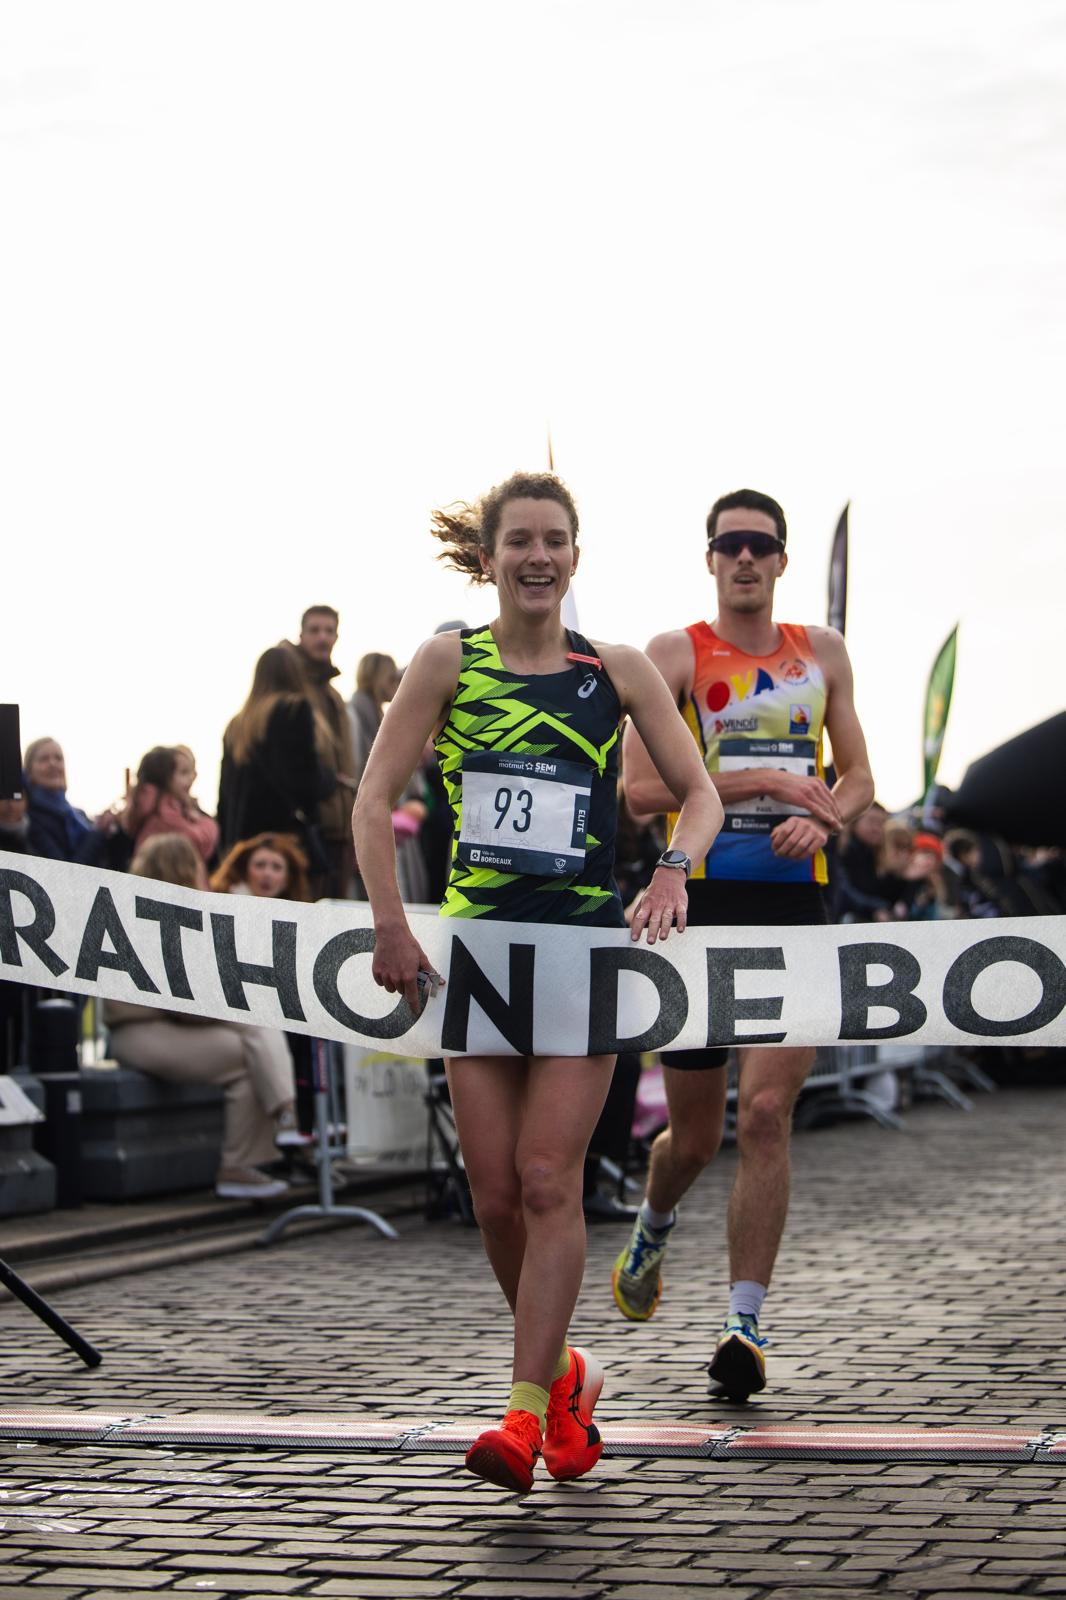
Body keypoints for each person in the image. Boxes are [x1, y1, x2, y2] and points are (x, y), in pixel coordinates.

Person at [353, 471, 721, 1494]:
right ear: (489, 555)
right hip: (478, 958)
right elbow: (373, 797)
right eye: (519, 540)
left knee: (550, 1177)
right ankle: (567, 1379)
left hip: (579, 954)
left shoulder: (614, 669)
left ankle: (519, 1416)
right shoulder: (445, 660)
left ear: (574, 554)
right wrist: (391, 923)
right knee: (495, 1200)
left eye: (554, 540)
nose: (538, 557)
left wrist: (669, 868)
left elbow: (698, 797)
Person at [614, 486, 874, 1402]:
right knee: (691, 1138)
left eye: (761, 545)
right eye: (730, 545)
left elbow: (861, 775)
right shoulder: (676, 654)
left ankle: (744, 1325)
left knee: (764, 1116)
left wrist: (828, 819)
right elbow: (641, 791)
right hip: (698, 905)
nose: (746, 559)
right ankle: (653, 1224)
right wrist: (765, 780)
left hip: (792, 908)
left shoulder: (822, 653)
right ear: (711, 558)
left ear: (783, 559)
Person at [104, 833, 302, 1199]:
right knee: (249, 1050)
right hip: (141, 1032)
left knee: (252, 1036)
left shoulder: (156, 911)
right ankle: (261, 1141)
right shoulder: (151, 918)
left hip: (165, 1027)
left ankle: (256, 1148)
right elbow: (183, 1005)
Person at [217, 646, 341, 870]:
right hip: (284, 846)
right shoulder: (295, 710)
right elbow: (305, 781)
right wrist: (330, 780)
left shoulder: (238, 724)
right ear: (295, 672)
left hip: (243, 847)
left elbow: (225, 795)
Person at [286, 606, 357, 898]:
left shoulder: (333, 694)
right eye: (315, 630)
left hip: (340, 828)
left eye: (328, 631)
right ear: (301, 635)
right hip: (308, 827)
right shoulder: (293, 689)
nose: (322, 637)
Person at [349, 653, 430, 904]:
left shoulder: (381, 717)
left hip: (396, 822)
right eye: (390, 676)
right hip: (376, 819)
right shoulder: (355, 716)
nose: (394, 683)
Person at [17, 737, 122, 864]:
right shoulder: (29, 819)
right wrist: (99, 832)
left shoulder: (79, 815)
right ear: (29, 771)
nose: (53, 764)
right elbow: (65, 873)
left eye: (58, 758)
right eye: (44, 759)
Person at [121, 746, 219, 865]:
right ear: (165, 777)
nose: (191, 778)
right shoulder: (163, 815)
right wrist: (207, 824)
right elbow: (198, 842)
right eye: (183, 773)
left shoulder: (152, 808)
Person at [210, 832, 312, 902]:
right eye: (260, 865)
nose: (267, 874)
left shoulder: (298, 917)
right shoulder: (222, 903)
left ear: (288, 879)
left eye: (277, 867)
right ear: (244, 870)